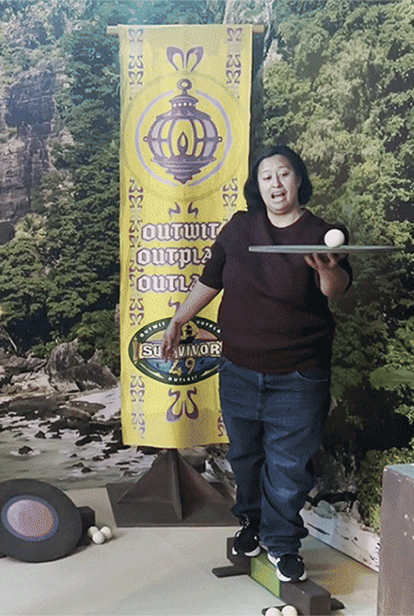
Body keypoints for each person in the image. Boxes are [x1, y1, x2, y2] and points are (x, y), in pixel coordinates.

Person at [161, 145, 352, 583]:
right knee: (245, 457)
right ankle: (251, 523)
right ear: (257, 185)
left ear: (298, 180)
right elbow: (210, 280)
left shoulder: (321, 232)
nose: (276, 184)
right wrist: (178, 320)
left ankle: (282, 545)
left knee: (288, 468)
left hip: (299, 374)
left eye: (284, 174)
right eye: (267, 177)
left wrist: (325, 268)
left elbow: (335, 289)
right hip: (239, 370)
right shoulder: (239, 228)